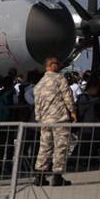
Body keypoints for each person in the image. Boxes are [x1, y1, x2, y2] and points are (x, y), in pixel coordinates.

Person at [33, 57, 76, 187]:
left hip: (45, 120)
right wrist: (73, 112)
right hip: (59, 118)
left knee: (44, 147)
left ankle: (40, 175)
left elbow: (37, 104)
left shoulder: (39, 84)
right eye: (58, 63)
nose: (60, 66)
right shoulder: (59, 79)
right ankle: (57, 176)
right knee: (60, 147)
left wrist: (39, 118)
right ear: (51, 65)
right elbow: (67, 96)